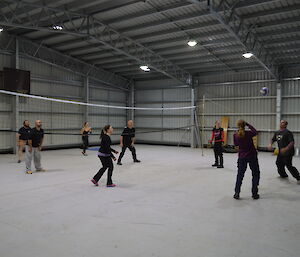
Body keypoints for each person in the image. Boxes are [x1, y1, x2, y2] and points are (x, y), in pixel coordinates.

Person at [233, 120, 260, 200]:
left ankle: (237, 193)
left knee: (240, 175)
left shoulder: (235, 135)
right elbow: (255, 132)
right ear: (244, 125)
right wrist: (248, 124)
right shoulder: (249, 133)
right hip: (252, 155)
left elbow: (236, 145)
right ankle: (254, 193)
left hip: (242, 157)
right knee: (255, 174)